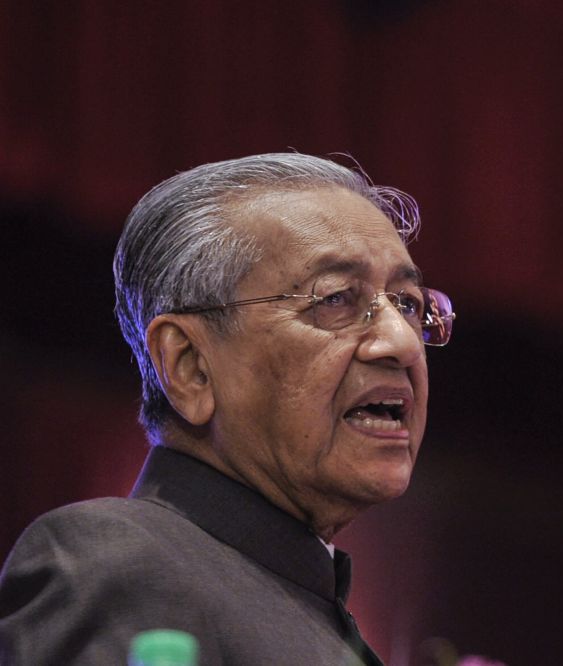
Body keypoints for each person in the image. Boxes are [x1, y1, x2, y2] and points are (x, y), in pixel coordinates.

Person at [0, 153, 455, 665]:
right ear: (190, 365)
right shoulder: (120, 562)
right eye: (334, 298)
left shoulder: (309, 605)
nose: (403, 342)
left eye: (408, 303)